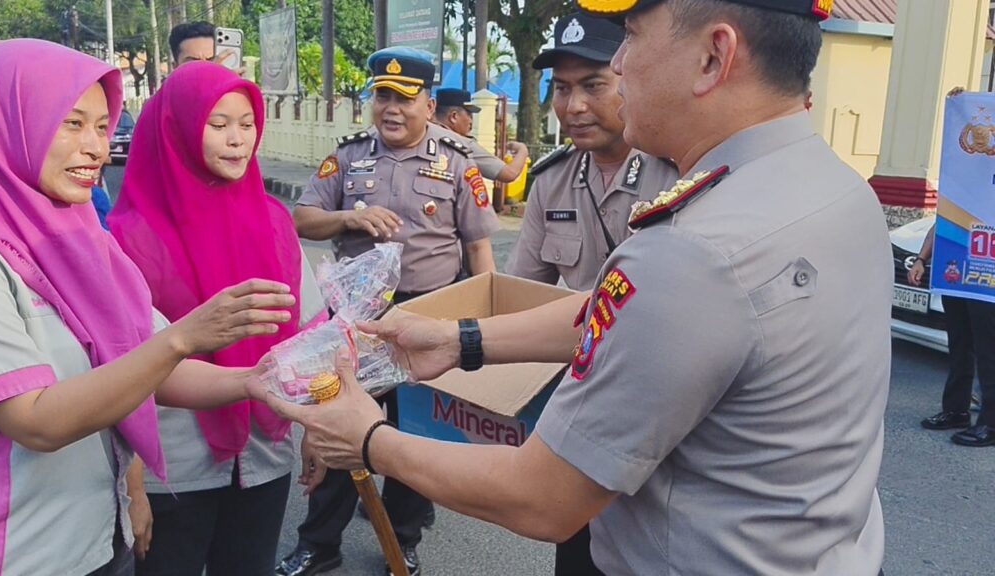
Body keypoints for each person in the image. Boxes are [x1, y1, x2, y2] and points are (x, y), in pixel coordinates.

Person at [264, 1, 894, 574]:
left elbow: (542, 498)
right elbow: (619, 317)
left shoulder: (693, 249)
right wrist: (460, 339)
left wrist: (369, 439)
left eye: (632, 37)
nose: (619, 63)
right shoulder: (834, 185)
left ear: (713, 56)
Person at [0, 39, 294, 576]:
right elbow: (36, 421)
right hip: (16, 554)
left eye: (102, 127)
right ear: (6, 123)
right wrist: (183, 339)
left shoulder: (83, 241)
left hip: (97, 539)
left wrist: (253, 381)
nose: (95, 148)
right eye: (71, 123)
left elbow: (149, 366)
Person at [279, 47, 501, 576]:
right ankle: (318, 545)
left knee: (415, 433)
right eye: (383, 96)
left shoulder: (457, 162)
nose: (392, 109)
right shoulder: (348, 156)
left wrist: (484, 328)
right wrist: (348, 220)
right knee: (340, 426)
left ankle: (402, 541)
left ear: (429, 105)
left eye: (404, 99)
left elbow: (479, 250)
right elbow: (302, 219)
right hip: (359, 321)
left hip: (429, 316)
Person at [106, 63, 329, 575]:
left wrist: (317, 425)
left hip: (265, 451)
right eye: (218, 123)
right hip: (174, 467)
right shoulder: (128, 238)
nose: (237, 140)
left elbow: (311, 332)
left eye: (247, 124)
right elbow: (122, 370)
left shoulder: (273, 221)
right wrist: (132, 485)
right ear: (178, 128)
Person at [506, 11, 677, 293]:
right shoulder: (552, 182)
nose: (574, 106)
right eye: (562, 88)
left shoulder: (678, 173)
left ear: (631, 80)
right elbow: (520, 289)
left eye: (593, 85)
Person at [911, 220, 995, 446]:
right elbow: (941, 222)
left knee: (989, 351)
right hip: (957, 276)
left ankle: (991, 423)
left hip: (987, 280)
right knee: (959, 346)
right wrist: (921, 259)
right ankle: (956, 411)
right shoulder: (958, 196)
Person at [433, 87, 529, 184]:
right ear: (454, 116)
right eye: (469, 115)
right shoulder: (461, 144)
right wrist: (522, 150)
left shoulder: (426, 134)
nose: (471, 121)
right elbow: (509, 174)